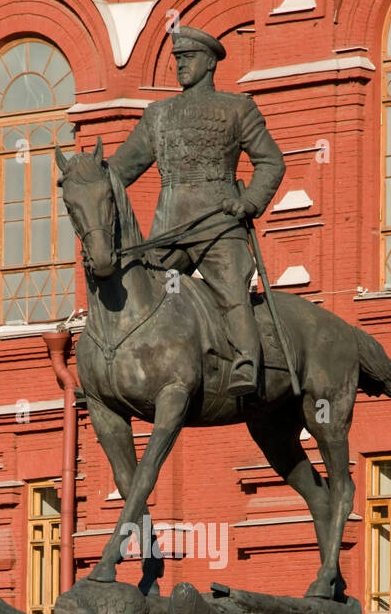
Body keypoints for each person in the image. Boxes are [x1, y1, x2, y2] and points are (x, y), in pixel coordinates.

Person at [108, 25, 285, 395]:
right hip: (168, 229)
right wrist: (89, 176)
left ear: (209, 63)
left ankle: (246, 362)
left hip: (218, 224)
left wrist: (249, 202)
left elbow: (270, 161)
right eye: (177, 60)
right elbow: (123, 168)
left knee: (231, 288)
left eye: (188, 59)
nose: (180, 66)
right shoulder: (158, 114)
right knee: (138, 288)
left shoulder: (237, 108)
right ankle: (118, 363)